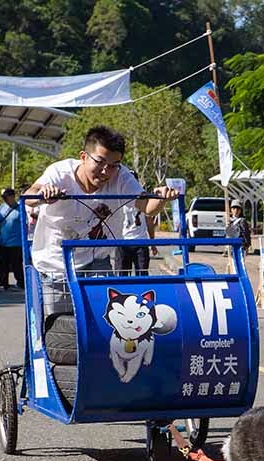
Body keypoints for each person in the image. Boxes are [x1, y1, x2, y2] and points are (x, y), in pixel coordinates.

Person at [23, 125, 177, 317]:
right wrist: (43, 194)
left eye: (113, 165)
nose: (106, 171)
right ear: (83, 156)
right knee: (61, 325)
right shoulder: (60, 173)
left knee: (105, 317)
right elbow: (28, 195)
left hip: (96, 260)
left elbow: (146, 205)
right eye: (100, 162)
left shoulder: (121, 176)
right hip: (56, 264)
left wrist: (161, 198)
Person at [118, 171, 158, 276]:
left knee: (142, 275)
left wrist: (153, 243)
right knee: (122, 276)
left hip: (141, 242)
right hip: (123, 242)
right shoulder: (117, 198)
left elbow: (149, 222)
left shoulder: (143, 199)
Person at [0, 188, 24, 288]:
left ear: (12, 196)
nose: (6, 199)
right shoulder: (1, 207)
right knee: (2, 264)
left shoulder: (21, 209)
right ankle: (3, 283)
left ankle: (20, 283)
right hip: (3, 242)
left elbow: (25, 224)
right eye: (4, 198)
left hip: (16, 242)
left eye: (7, 197)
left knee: (17, 264)